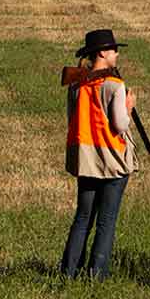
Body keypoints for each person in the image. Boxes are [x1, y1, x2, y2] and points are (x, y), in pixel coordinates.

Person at [61, 27, 139, 279]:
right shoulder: (114, 85)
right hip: (113, 161)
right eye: (114, 49)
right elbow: (120, 125)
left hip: (86, 160)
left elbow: (72, 119)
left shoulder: (76, 84)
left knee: (83, 217)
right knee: (106, 220)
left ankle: (68, 272)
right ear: (103, 53)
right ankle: (97, 275)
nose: (117, 53)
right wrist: (128, 107)